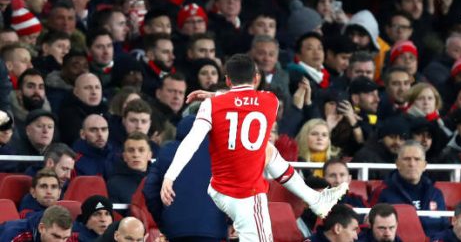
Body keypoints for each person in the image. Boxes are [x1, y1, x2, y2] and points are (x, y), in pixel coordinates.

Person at [161, 54, 348, 241]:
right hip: (246, 195)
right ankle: (316, 201)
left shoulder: (210, 105)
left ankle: (315, 200)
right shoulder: (270, 101)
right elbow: (244, 100)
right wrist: (217, 94)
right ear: (257, 78)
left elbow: (191, 141)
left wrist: (170, 177)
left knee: (268, 151)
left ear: (227, 79)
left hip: (218, 188)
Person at [144, 115, 227, 241]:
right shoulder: (220, 154)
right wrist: (230, 222)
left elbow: (150, 190)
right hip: (212, 229)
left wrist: (164, 221)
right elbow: (235, 189)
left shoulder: (166, 152)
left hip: (176, 230)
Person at [370, 141, 449, 237]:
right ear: (398, 164)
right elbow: (371, 228)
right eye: (407, 159)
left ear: (424, 165)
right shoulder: (382, 192)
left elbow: (444, 228)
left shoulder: (436, 194)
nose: (412, 164)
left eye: (417, 159)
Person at [107, 132, 152, 205]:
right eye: (131, 150)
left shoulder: (160, 181)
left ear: (149, 155)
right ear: (124, 156)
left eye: (141, 150)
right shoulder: (114, 184)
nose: (136, 155)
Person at [0, 205, 78, 241]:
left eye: (65, 238)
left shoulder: (64, 234)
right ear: (41, 228)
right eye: (56, 236)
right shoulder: (16, 235)